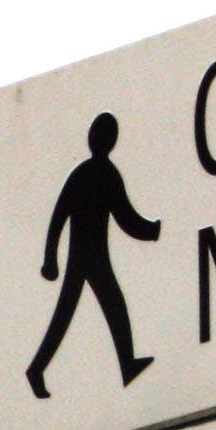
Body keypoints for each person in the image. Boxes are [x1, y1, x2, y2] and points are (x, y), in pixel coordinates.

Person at [29, 112, 158, 398]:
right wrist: (154, 230)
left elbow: (63, 216)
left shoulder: (87, 173)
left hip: (88, 256)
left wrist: (51, 257)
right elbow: (122, 216)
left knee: (103, 308)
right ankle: (37, 369)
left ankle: (126, 364)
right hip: (89, 257)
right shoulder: (101, 173)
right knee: (78, 312)